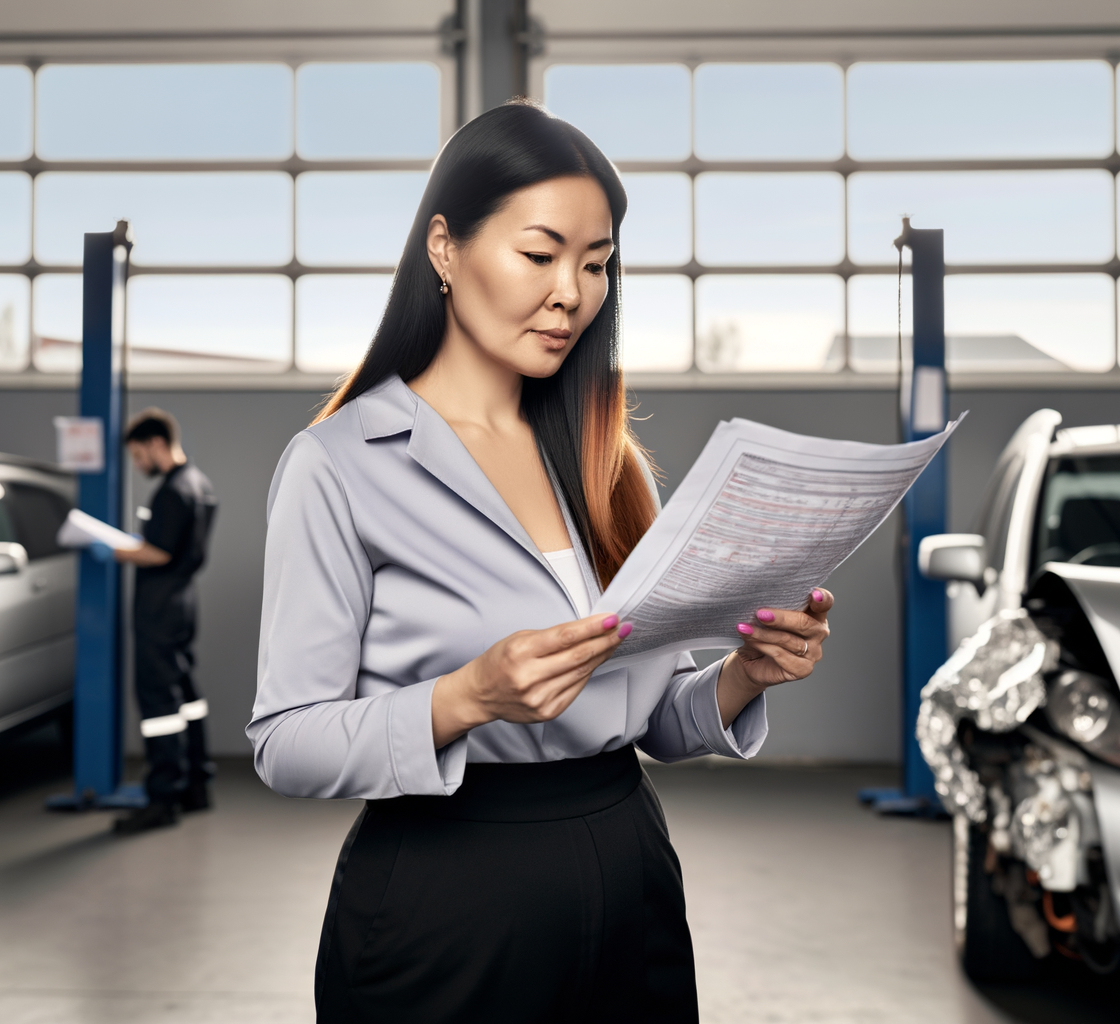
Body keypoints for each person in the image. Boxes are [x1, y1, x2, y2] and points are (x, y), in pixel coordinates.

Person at [247, 101, 835, 1022]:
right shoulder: (340, 465)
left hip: (630, 869)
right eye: (540, 254)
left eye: (596, 265)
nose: (572, 293)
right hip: (447, 892)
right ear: (445, 249)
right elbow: (286, 742)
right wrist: (466, 697)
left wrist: (741, 678)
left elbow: (655, 717)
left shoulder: (609, 463)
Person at [106, 408, 219, 835]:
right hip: (182, 603)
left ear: (156, 444)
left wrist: (112, 550)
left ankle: (162, 799)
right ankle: (196, 785)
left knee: (158, 703)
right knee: (185, 695)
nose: (138, 464)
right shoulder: (199, 484)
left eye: (138, 455)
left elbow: (159, 552)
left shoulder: (173, 490)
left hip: (159, 609)